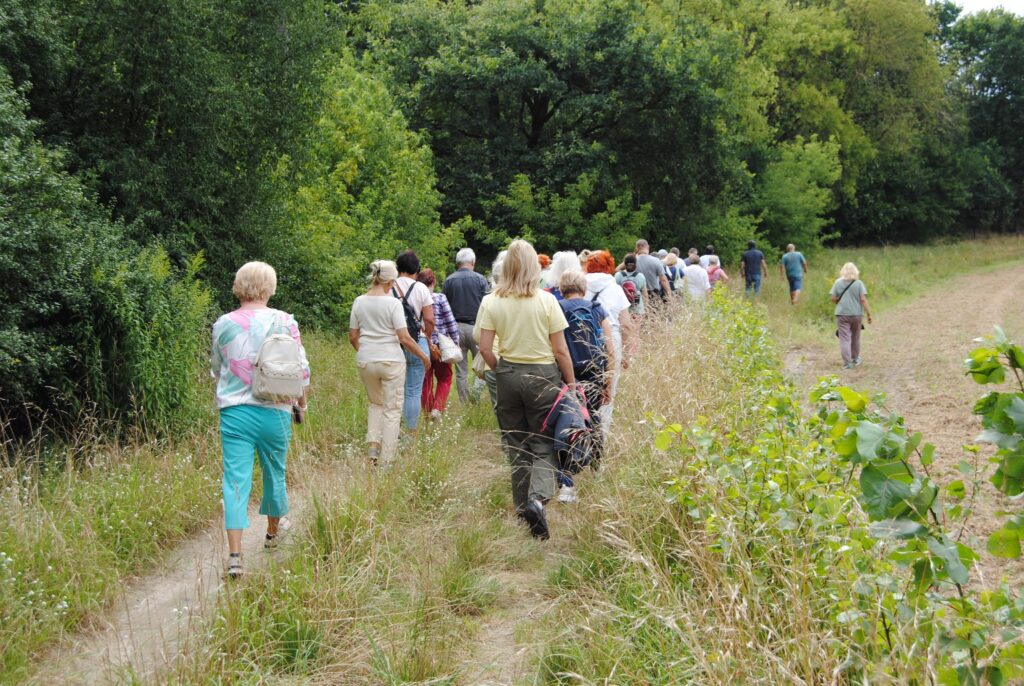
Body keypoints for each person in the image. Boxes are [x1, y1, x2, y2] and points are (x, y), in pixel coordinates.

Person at [211, 261, 310, 579]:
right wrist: (301, 405)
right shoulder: (284, 321)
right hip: (276, 409)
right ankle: (271, 535)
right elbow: (301, 370)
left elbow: (217, 367)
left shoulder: (223, 323)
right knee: (274, 473)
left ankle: (235, 556)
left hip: (235, 412)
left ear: (239, 286)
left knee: (235, 480)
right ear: (269, 286)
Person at [477, 239, 575, 540]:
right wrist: (571, 383)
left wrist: (501, 369)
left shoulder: (492, 301)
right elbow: (560, 350)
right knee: (543, 441)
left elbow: (483, 348)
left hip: (507, 372)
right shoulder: (547, 301)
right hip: (543, 375)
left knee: (516, 442)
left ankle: (522, 509)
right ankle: (538, 499)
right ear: (535, 267)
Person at [350, 261, 432, 466]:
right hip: (391, 361)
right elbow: (403, 337)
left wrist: (366, 352)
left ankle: (372, 449)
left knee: (375, 403)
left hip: (366, 360)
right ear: (391, 281)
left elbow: (353, 336)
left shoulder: (359, 301)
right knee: (392, 408)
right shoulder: (393, 303)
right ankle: (387, 458)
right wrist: (423, 356)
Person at [556, 269, 615, 504]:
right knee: (593, 418)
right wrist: (608, 380)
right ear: (583, 287)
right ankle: (596, 468)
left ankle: (566, 481)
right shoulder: (596, 308)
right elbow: (609, 348)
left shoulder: (557, 307)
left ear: (562, 288)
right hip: (593, 372)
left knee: (566, 423)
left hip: (566, 373)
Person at [584, 250, 633, 428]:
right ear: (610, 266)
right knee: (608, 388)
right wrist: (626, 355)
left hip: (583, 338)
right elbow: (626, 325)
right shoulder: (615, 289)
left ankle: (582, 427)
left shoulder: (579, 286)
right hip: (611, 340)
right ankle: (602, 433)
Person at [442, 248, 491, 404]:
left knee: (461, 371)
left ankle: (464, 403)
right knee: (482, 366)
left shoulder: (449, 280)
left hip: (456, 328)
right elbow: (489, 305)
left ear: (457, 263)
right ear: (473, 262)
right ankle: (475, 397)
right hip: (477, 328)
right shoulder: (481, 279)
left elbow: (444, 306)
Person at [394, 251, 435, 433]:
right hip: (416, 341)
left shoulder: (388, 286)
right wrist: (428, 336)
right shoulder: (421, 289)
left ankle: (392, 428)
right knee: (412, 391)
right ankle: (410, 433)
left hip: (393, 342)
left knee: (395, 390)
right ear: (416, 270)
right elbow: (430, 320)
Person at [418, 268, 459, 420]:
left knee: (425, 380)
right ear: (433, 282)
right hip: (440, 347)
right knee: (445, 378)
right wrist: (455, 343)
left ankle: (428, 412)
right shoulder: (440, 298)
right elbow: (451, 323)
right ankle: (437, 408)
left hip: (421, 345)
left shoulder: (415, 299)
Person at [830, 262, 873, 369]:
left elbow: (833, 299)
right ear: (855, 271)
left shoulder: (837, 282)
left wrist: (839, 300)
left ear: (843, 271)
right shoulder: (859, 283)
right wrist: (869, 314)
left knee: (844, 338)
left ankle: (847, 363)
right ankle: (855, 358)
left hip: (842, 314)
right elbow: (863, 299)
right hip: (857, 314)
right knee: (856, 337)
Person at [634, 239, 672, 304]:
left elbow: (617, 269)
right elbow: (663, 280)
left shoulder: (632, 261)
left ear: (637, 248)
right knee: (654, 313)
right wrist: (669, 295)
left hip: (637, 294)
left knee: (638, 313)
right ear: (648, 247)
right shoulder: (656, 261)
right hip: (653, 294)